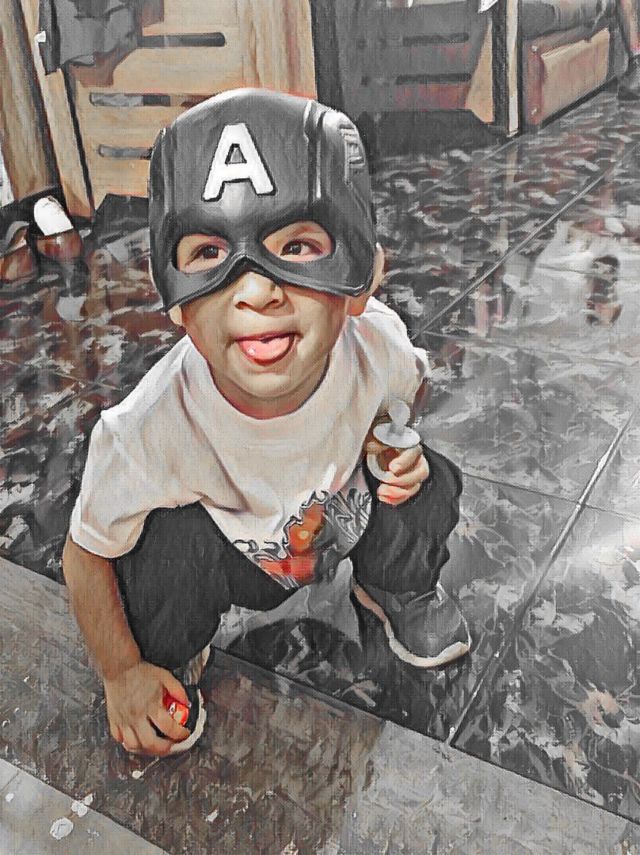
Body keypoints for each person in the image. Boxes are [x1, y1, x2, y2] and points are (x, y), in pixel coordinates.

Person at [62, 88, 470, 757]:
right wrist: (121, 670)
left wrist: (389, 445)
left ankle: (395, 587)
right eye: (209, 254)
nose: (255, 291)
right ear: (175, 301)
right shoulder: (149, 428)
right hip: (236, 556)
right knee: (152, 559)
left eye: (297, 244)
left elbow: (409, 391)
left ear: (362, 276)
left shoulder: (377, 345)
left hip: (341, 518)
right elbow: (85, 553)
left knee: (430, 481)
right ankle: (169, 650)